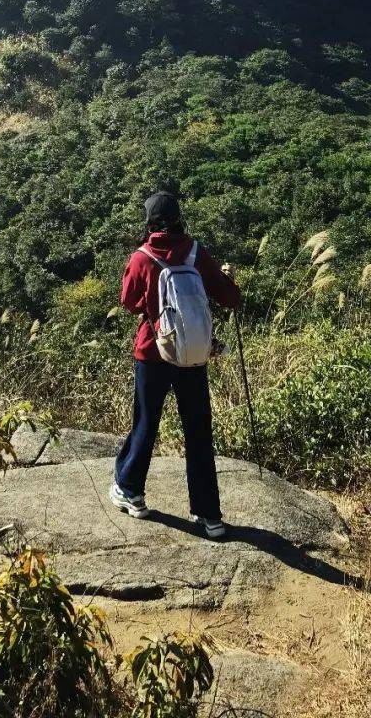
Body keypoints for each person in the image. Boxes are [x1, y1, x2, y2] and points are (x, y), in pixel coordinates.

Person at [111, 189, 240, 537]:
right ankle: (209, 515)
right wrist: (229, 279)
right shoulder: (196, 253)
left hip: (154, 352)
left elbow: (129, 303)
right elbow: (229, 298)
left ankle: (131, 491)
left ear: (150, 221)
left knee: (146, 423)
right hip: (193, 356)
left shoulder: (142, 257)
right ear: (179, 217)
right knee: (198, 431)